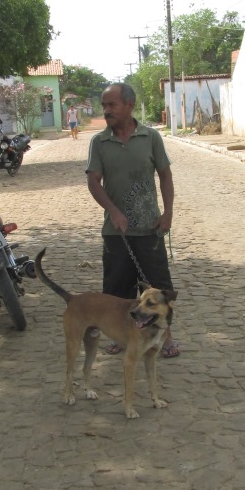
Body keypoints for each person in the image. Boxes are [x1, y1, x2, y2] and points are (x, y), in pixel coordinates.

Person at [85, 83, 179, 357]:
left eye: (112, 105)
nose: (106, 111)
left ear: (129, 105)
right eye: (104, 105)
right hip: (116, 232)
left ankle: (166, 339)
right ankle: (119, 336)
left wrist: (168, 212)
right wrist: (113, 210)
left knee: (159, 287)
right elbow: (93, 181)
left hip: (151, 228)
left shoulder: (150, 137)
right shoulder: (99, 142)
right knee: (116, 290)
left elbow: (165, 175)